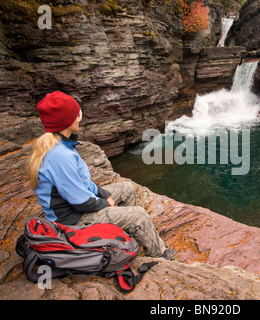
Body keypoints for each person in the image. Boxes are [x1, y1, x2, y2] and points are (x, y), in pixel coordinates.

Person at [27, 91, 177, 260]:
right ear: (66, 121)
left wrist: (103, 194)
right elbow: (81, 202)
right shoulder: (59, 156)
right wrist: (104, 203)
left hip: (77, 208)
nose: (79, 118)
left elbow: (83, 183)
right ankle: (159, 255)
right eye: (75, 115)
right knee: (139, 215)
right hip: (73, 221)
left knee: (126, 188)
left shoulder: (61, 145)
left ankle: (124, 234)